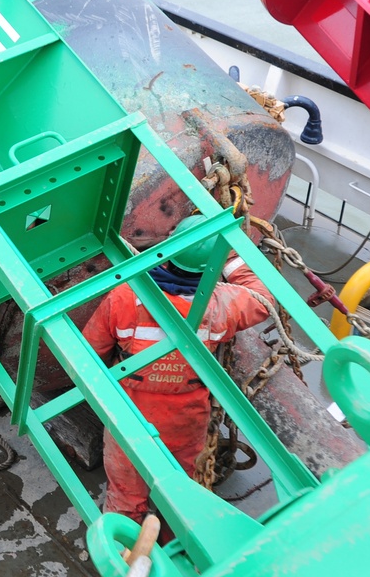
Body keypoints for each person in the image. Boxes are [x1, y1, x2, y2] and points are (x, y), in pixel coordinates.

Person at [81, 214, 274, 526]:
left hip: (130, 417)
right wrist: (233, 257)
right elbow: (264, 300)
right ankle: (182, 549)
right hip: (186, 420)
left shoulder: (126, 296)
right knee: (181, 496)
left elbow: (90, 351)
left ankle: (120, 560)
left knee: (126, 496)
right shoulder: (221, 305)